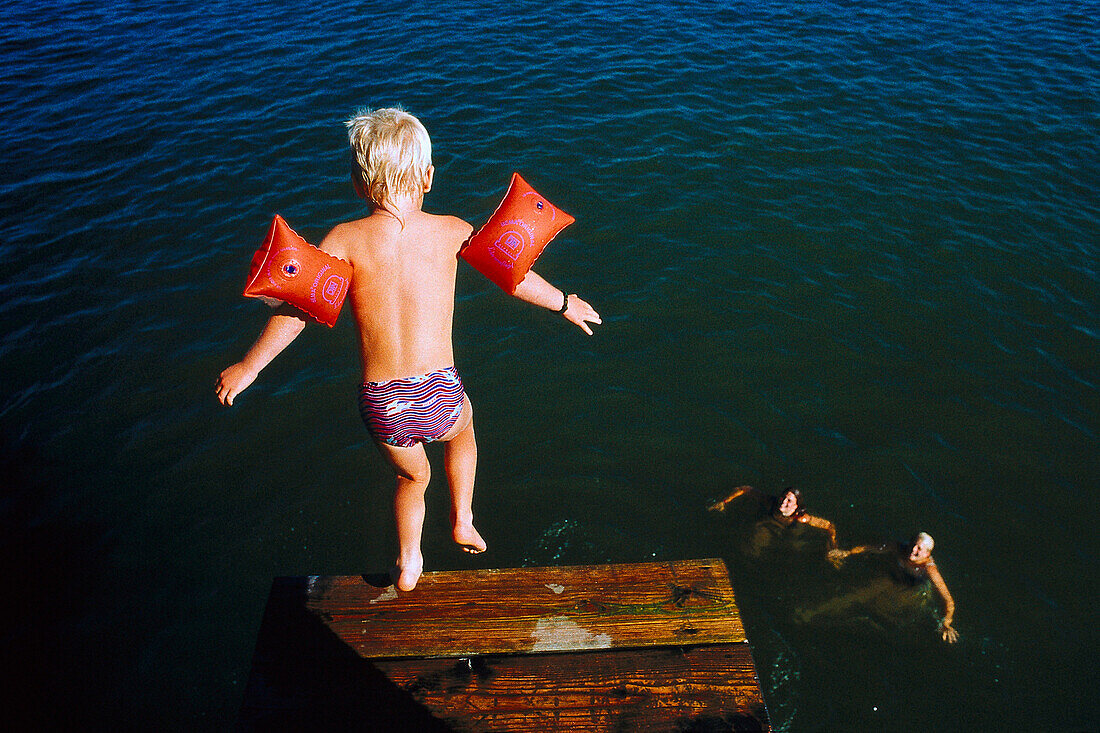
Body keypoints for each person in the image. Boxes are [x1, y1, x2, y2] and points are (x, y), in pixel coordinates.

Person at [216, 107, 601, 591]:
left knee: (412, 480)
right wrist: (564, 303)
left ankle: (409, 560)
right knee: (463, 435)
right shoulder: (452, 231)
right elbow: (513, 276)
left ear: (358, 184)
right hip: (441, 392)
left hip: (382, 402)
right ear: (428, 177)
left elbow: (299, 311)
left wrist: (249, 367)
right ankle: (462, 518)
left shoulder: (343, 240)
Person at [813, 532, 958, 643]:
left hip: (911, 587)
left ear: (927, 554)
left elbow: (949, 600)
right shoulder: (900, 548)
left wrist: (946, 621)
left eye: (919, 548)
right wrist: (847, 553)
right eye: (913, 544)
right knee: (861, 595)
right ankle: (822, 612)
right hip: (892, 577)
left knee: (889, 614)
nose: (913, 549)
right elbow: (871, 548)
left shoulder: (930, 569)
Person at [708, 485, 840, 556]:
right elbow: (745, 489)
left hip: (786, 532)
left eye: (789, 500)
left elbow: (829, 525)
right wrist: (724, 501)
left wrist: (832, 545)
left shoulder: (801, 518)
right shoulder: (771, 502)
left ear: (796, 506)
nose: (783, 501)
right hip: (767, 524)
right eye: (783, 497)